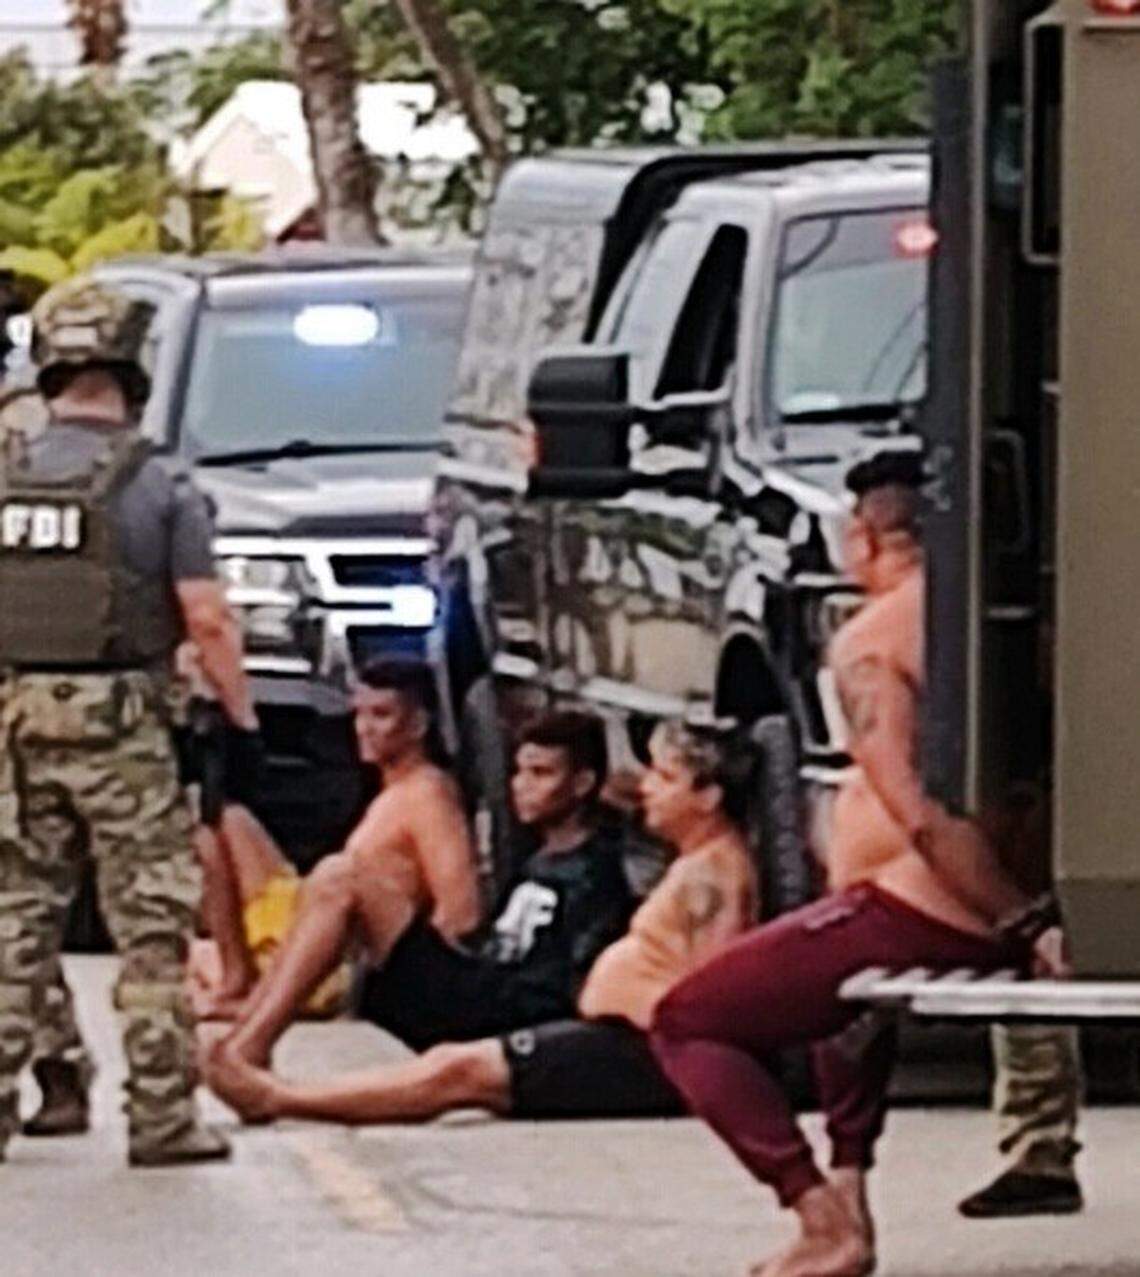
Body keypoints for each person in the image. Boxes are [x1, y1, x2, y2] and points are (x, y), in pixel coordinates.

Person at [648, 452, 1062, 1277]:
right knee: (844, 999)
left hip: (940, 911)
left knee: (687, 1018)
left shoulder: (874, 639)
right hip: (946, 908)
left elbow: (923, 812)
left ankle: (817, 1213)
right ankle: (851, 1203)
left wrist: (1030, 922)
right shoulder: (1014, 617)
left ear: (862, 536)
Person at [0, 277, 262, 1166]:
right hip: (124, 728)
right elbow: (209, 619)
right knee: (150, 928)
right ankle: (161, 1117)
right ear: (130, 370)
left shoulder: (7, 476)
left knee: (14, 920)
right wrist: (240, 712)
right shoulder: (158, 486)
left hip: (15, 726)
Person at [206, 718, 756, 1127]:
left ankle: (275, 1096)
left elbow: (713, 1000)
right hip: (522, 999)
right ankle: (250, 1050)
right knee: (341, 878)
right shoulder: (679, 861)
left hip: (605, 1038)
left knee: (455, 1072)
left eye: (665, 777)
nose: (646, 788)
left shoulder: (709, 876)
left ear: (708, 797)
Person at [187, 658, 482, 1021]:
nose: (364, 728)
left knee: (194, 957)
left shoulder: (429, 794)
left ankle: (243, 988)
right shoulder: (392, 788)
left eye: (380, 715)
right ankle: (238, 977)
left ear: (418, 724)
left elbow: (460, 910)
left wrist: (423, 989)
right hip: (305, 920)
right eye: (359, 715)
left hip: (336, 960)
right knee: (225, 825)